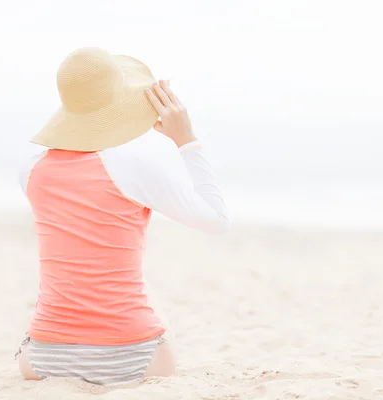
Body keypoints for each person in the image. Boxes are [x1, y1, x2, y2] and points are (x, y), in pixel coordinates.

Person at [15, 47, 230, 386]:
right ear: (118, 103)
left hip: (42, 358)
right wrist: (186, 139)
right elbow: (217, 220)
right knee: (142, 286)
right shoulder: (132, 168)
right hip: (136, 358)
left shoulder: (31, 170)